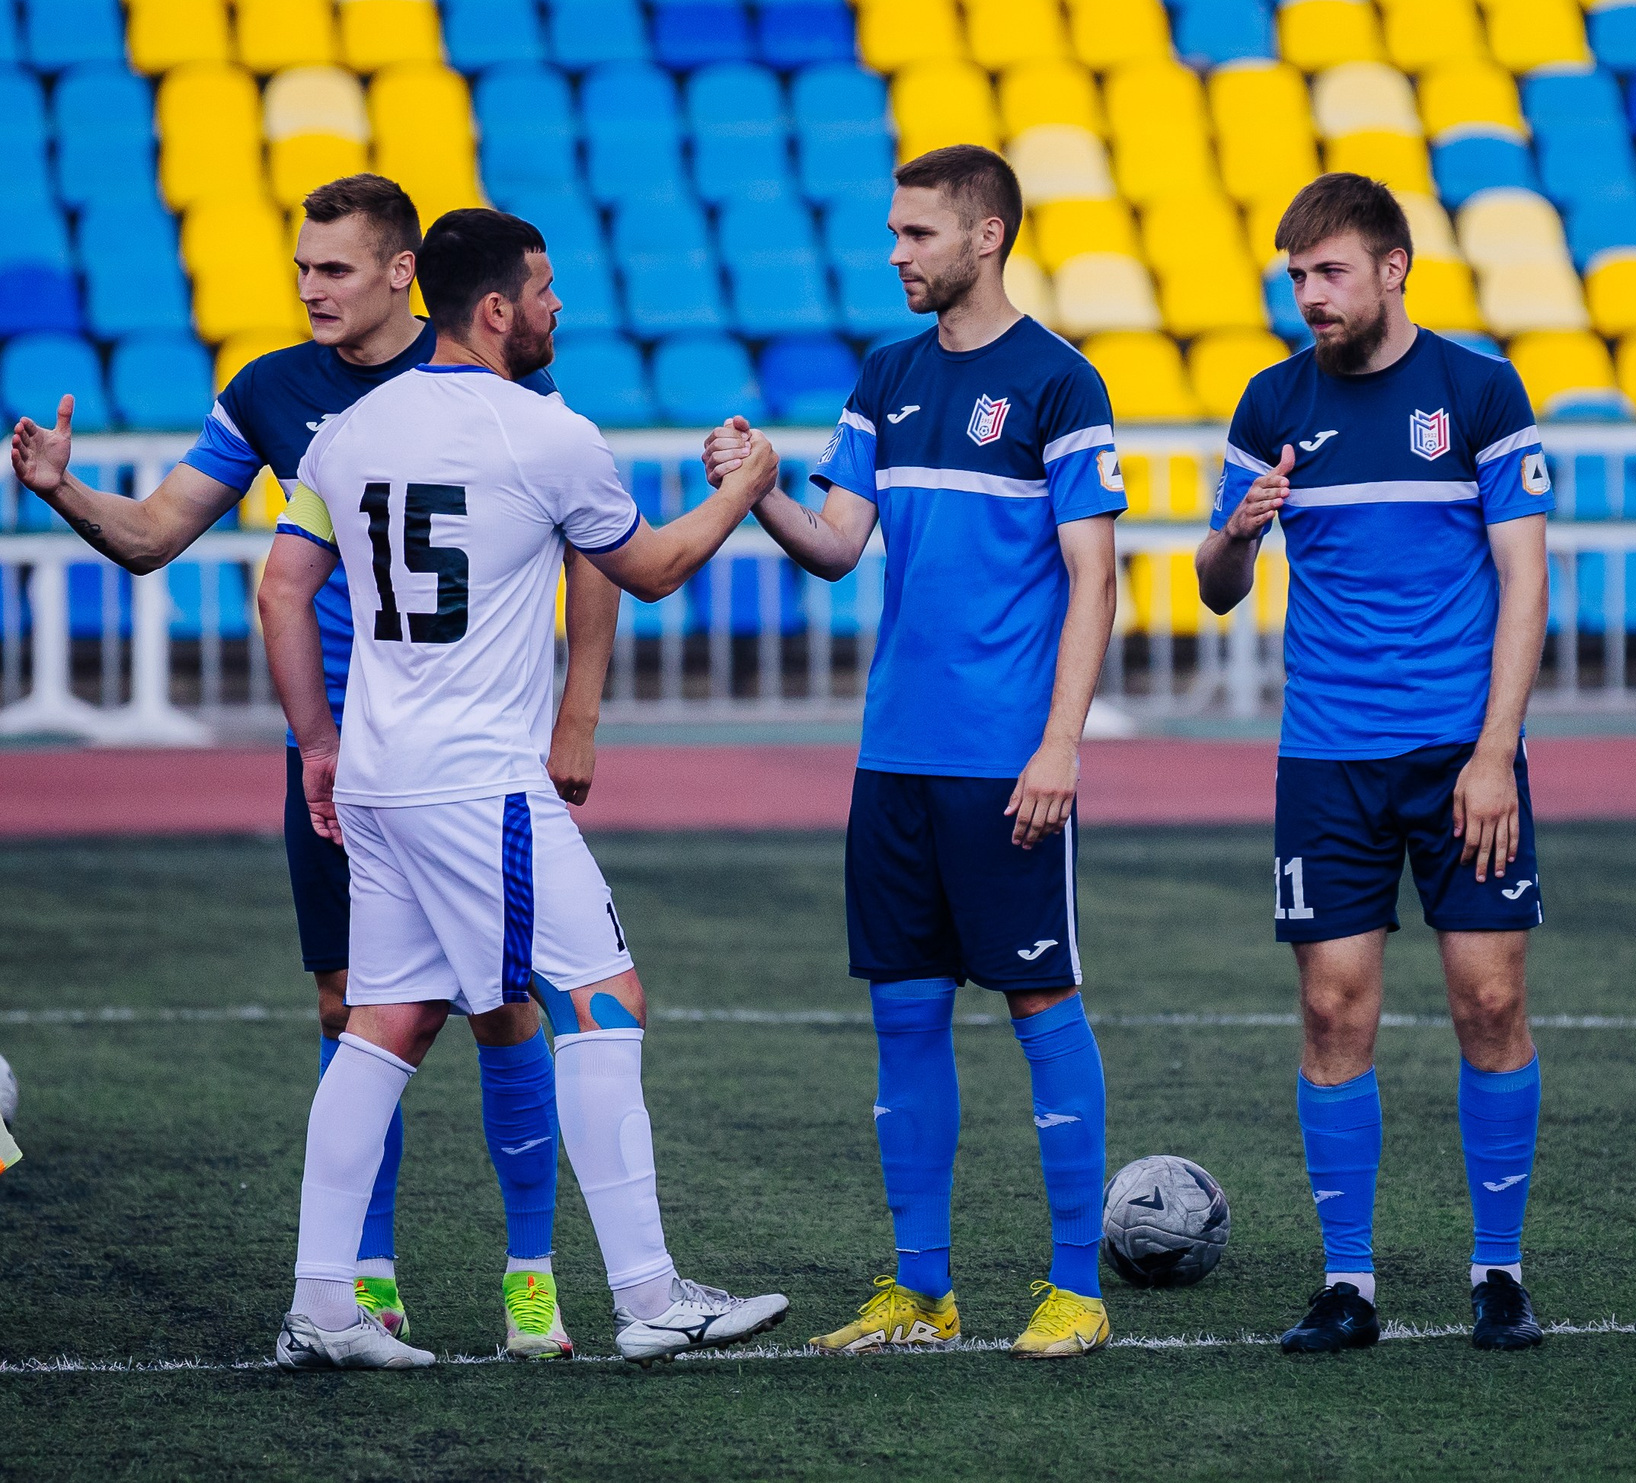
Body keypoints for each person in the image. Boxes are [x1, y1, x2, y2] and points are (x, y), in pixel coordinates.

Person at [6, 174, 616, 1355]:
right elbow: (156, 535)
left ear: (401, 272)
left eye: (333, 269)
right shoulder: (270, 390)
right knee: (349, 1010)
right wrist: (62, 489)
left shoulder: (499, 380)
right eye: (301, 268)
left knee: (503, 1011)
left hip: (463, 750)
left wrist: (578, 713)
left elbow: (591, 543)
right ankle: (365, 1287)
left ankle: (530, 1282)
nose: (309, 289)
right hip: (338, 763)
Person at [261, 207, 789, 1369]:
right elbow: (651, 568)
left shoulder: (346, 433)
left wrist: (316, 743)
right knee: (603, 998)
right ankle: (650, 1295)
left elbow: (279, 589)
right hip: (477, 782)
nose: (558, 306)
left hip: (380, 776)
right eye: (544, 289)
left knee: (383, 1025)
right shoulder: (547, 432)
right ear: (496, 308)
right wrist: (747, 485)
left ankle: (323, 1305)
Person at [706, 145, 1125, 1361]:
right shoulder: (886, 375)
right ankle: (921, 1292)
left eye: (916, 234)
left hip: (1006, 760)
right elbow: (837, 545)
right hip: (894, 756)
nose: (895, 253)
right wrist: (761, 488)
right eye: (894, 232)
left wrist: (1059, 745)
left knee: (1041, 1005)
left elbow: (1095, 578)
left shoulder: (1059, 383)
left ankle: (1076, 1288)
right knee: (903, 1017)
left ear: (985, 236)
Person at [1195, 173, 1554, 1354]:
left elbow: (1524, 579)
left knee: (1489, 1003)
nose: (1309, 295)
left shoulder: (1478, 390)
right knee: (1331, 1008)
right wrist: (1235, 532)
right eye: (1296, 275)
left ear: (1393, 268)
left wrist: (1495, 752)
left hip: (1461, 753)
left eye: (1330, 272)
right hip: (1327, 757)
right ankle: (1347, 1281)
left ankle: (1498, 1271)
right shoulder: (1270, 401)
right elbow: (1216, 586)